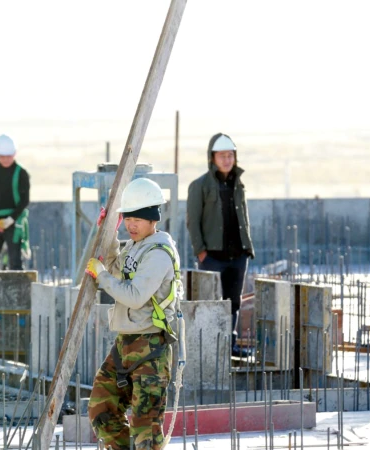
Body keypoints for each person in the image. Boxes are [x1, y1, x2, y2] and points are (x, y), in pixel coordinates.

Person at [85, 178, 183, 450]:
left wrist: (102, 277)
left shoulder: (159, 253)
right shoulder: (135, 246)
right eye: (128, 218)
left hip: (150, 346)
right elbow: (117, 268)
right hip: (126, 343)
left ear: (154, 219)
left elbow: (135, 296)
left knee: (146, 429)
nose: (132, 224)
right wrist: (109, 235)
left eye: (139, 219)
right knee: (101, 408)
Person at [186, 132, 255, 357]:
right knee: (211, 302)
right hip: (213, 257)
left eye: (230, 155)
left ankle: (229, 345)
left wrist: (247, 250)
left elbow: (243, 217)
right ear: (212, 158)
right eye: (222, 155)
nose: (227, 160)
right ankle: (210, 348)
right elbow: (192, 221)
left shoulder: (238, 185)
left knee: (233, 303)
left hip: (238, 257)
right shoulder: (199, 186)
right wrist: (201, 252)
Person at [0, 134, 31, 270]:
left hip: (14, 221)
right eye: (2, 156)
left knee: (15, 261)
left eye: (8, 156)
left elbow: (24, 200)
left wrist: (10, 220)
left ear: (14, 153)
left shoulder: (21, 173)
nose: (5, 160)